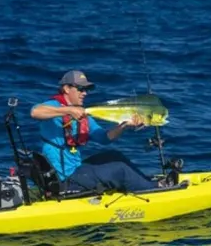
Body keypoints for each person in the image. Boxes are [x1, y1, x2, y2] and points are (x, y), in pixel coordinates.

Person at [30, 69, 167, 193]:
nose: (84, 93)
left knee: (115, 156)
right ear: (66, 88)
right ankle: (155, 190)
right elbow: (35, 112)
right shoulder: (53, 106)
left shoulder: (83, 113)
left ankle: (147, 183)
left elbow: (104, 138)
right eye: (80, 89)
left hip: (77, 170)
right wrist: (68, 110)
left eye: (86, 90)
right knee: (120, 170)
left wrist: (123, 126)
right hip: (64, 179)